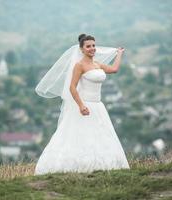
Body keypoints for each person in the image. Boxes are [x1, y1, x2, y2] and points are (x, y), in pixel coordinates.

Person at [34, 34, 130, 175]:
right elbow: (72, 87)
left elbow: (114, 69)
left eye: (93, 45)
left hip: (98, 106)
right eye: (88, 46)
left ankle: (100, 165)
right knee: (78, 136)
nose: (92, 48)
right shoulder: (79, 65)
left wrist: (119, 54)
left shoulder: (97, 64)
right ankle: (76, 165)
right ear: (82, 49)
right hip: (85, 106)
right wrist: (81, 105)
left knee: (100, 136)